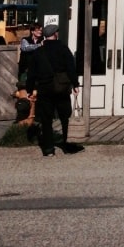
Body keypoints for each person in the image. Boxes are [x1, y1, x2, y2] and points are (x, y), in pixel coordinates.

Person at [25, 24, 80, 157]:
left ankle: (49, 149)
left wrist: (29, 89)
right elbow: (71, 68)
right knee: (65, 117)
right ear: (55, 34)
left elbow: (32, 72)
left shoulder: (39, 52)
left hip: (45, 89)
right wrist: (75, 84)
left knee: (46, 119)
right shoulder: (63, 49)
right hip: (61, 88)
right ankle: (66, 146)